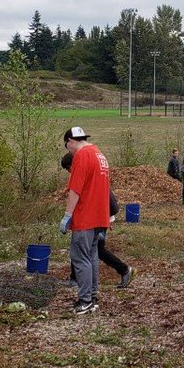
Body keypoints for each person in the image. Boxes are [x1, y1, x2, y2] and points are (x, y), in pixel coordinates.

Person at [62, 152, 134, 289]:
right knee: (80, 245)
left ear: (73, 164)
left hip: (98, 219)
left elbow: (105, 200)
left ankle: (125, 270)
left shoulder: (88, 174)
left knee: (94, 248)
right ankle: (75, 278)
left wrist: (107, 219)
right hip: (93, 218)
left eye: (68, 168)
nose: (69, 172)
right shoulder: (86, 173)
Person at [59, 126, 111, 314]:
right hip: (99, 216)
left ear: (71, 141)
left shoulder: (81, 156)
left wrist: (67, 215)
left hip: (85, 217)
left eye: (68, 147)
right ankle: (93, 296)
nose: (69, 151)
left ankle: (85, 300)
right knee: (92, 256)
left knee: (80, 258)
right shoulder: (99, 155)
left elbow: (75, 190)